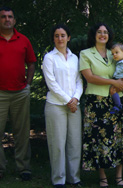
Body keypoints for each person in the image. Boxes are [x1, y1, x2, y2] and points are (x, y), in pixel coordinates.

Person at [79, 23, 123, 187]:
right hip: (96, 102)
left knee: (118, 138)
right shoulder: (86, 54)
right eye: (99, 32)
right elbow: (90, 77)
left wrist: (122, 84)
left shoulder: (114, 53)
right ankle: (102, 176)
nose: (103, 35)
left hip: (116, 100)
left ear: (109, 35)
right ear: (94, 34)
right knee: (98, 139)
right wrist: (112, 82)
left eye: (105, 32)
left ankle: (118, 175)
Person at [43, 24, 83, 188]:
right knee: (57, 144)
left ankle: (74, 178)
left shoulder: (74, 58)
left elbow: (79, 80)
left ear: (68, 37)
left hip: (74, 105)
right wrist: (68, 100)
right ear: (53, 38)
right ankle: (59, 180)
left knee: (74, 143)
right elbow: (51, 83)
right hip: (56, 106)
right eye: (57, 35)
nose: (60, 38)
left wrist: (75, 98)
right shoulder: (49, 58)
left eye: (63, 35)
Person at [0, 7, 36, 181]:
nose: (7, 19)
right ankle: (0, 168)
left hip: (20, 92)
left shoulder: (23, 40)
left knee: (21, 132)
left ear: (14, 21)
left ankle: (23, 168)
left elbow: (32, 63)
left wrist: (28, 84)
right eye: (3, 17)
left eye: (10, 17)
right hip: (0, 93)